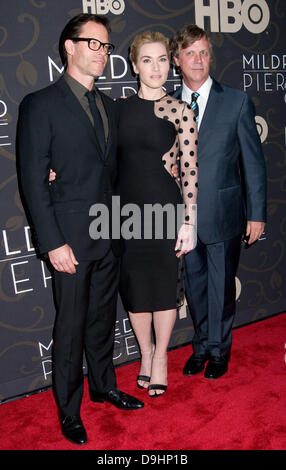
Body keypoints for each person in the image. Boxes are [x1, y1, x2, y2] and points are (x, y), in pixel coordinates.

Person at [16, 13, 144, 446]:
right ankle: (69, 410)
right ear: (69, 46)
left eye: (106, 46)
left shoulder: (109, 105)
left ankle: (104, 386)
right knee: (69, 328)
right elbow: (33, 181)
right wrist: (52, 243)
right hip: (69, 239)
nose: (103, 54)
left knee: (102, 320)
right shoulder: (41, 104)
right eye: (94, 44)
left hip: (110, 234)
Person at [170, 25, 267, 379]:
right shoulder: (165, 105)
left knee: (221, 285)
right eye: (190, 53)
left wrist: (256, 214)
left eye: (204, 52)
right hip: (183, 218)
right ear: (177, 60)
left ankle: (219, 350)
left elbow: (253, 163)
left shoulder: (236, 101)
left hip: (225, 212)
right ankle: (201, 347)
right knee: (195, 287)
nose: (198, 59)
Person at [116, 32, 198, 397]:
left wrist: (189, 222)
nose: (155, 67)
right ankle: (145, 353)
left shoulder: (181, 110)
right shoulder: (117, 110)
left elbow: (191, 172)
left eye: (162, 59)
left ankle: (161, 355)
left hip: (167, 210)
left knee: (164, 289)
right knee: (136, 290)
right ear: (134, 66)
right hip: (127, 213)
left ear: (171, 63)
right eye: (147, 60)